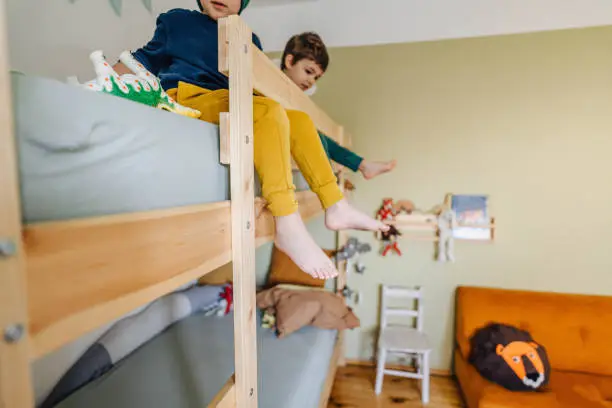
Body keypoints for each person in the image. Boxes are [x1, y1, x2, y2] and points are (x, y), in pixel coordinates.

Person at [111, 0, 388, 280]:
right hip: (187, 97)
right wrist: (105, 83)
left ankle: (336, 204)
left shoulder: (248, 37)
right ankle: (287, 220)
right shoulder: (178, 21)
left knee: (300, 121)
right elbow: (143, 60)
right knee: (268, 110)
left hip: (229, 101)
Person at [278, 32, 397, 180]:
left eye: (316, 77)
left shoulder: (298, 97)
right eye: (308, 72)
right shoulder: (269, 80)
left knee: (321, 138)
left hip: (290, 134)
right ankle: (356, 170)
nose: (311, 81)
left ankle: (361, 166)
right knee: (316, 137)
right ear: (289, 62)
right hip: (276, 134)